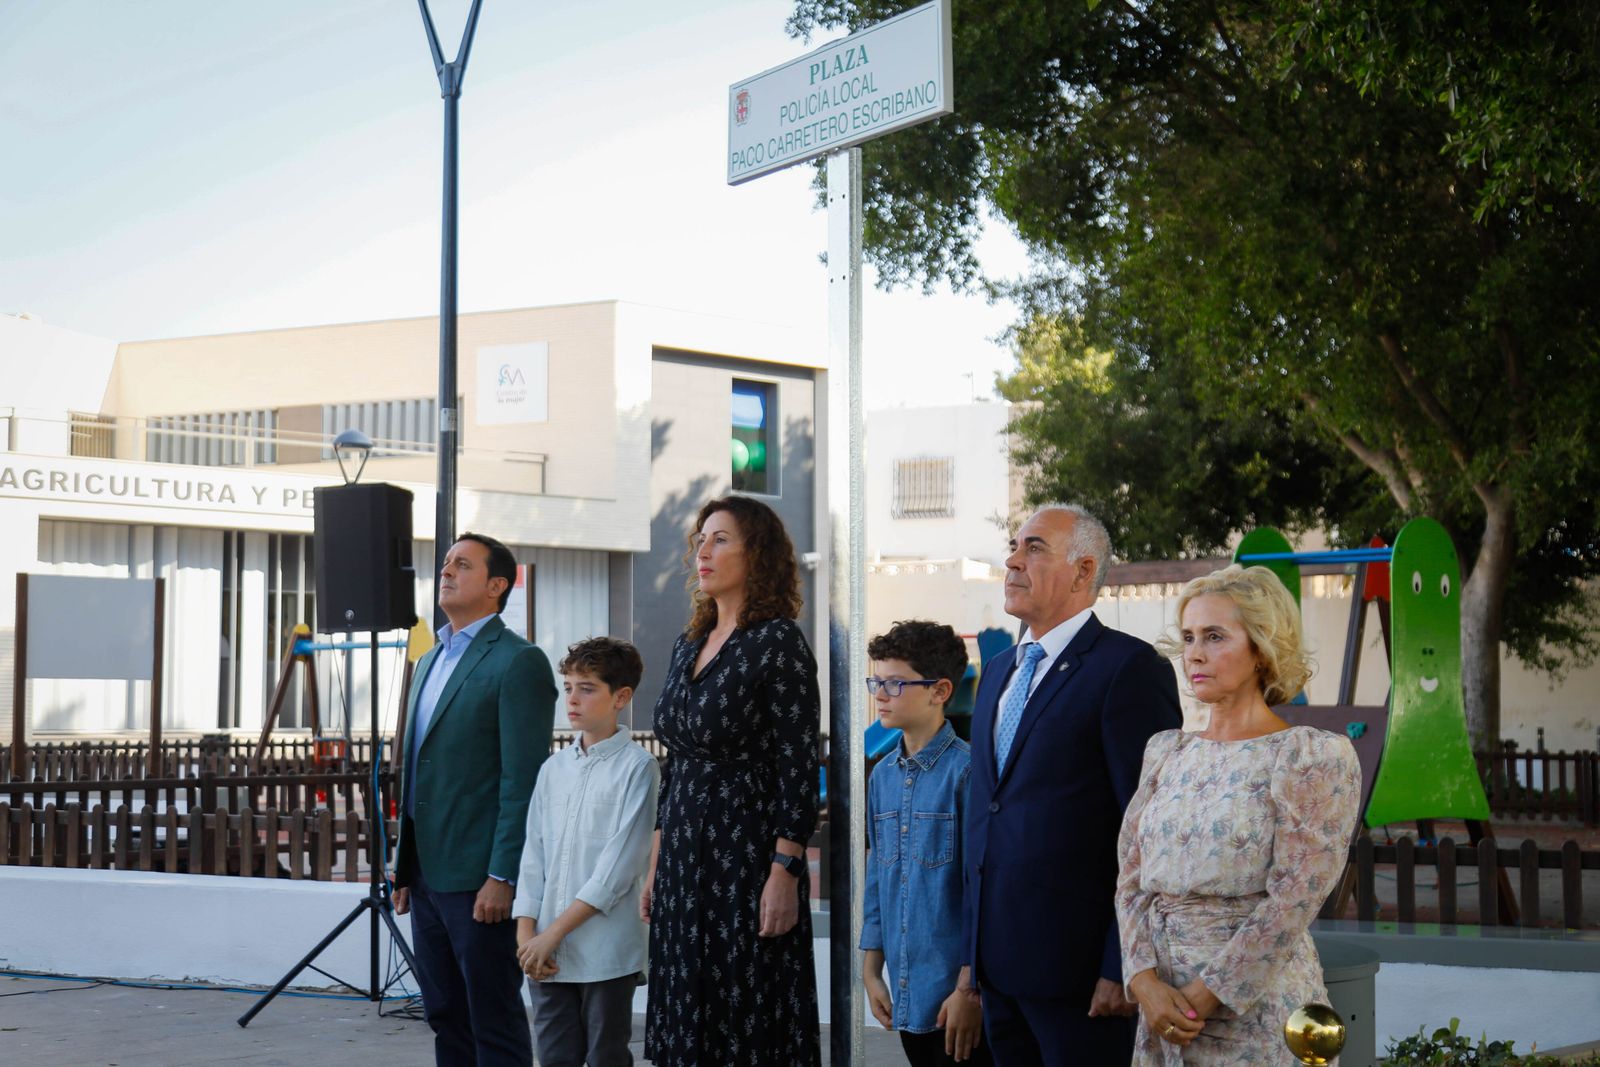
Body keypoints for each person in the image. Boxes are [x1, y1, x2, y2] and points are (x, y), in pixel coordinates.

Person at [1116, 565, 1361, 1065]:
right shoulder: (1165, 752)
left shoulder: (1308, 755)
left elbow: (1296, 896)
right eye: (1188, 637)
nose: (1194, 654)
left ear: (1261, 649)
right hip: (1162, 1011)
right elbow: (1131, 882)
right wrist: (1142, 981)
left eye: (1214, 636)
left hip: (1259, 1013)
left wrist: (1207, 994)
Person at [965, 504, 1183, 1066]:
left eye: (1034, 548)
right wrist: (971, 962)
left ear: (1084, 570)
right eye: (1014, 547)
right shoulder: (999, 671)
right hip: (997, 970)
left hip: (1081, 976)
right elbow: (988, 814)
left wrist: (1122, 961)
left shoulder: (1128, 669)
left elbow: (1148, 829)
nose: (1012, 562)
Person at [642, 494, 821, 1067]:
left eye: (721, 540)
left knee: (744, 1007)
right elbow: (676, 765)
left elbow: (798, 765)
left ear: (757, 554)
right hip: (681, 859)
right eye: (701, 540)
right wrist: (656, 861)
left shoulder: (778, 642)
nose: (704, 551)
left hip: (744, 856)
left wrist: (785, 870)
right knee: (684, 1009)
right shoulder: (687, 643)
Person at [394, 532, 556, 1067]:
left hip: (480, 878)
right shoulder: (428, 660)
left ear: (496, 586)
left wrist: (503, 875)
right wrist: (404, 866)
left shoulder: (518, 661)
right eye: (446, 563)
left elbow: (522, 780)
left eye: (462, 564)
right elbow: (418, 768)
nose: (446, 571)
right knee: (445, 1015)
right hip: (426, 876)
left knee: (492, 1017)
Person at [514, 636, 660, 1067]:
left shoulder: (638, 767)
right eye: (569, 688)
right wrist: (527, 937)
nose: (573, 699)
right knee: (554, 1057)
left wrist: (552, 934)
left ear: (621, 697)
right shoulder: (552, 768)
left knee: (605, 1057)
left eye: (588, 688)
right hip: (545, 952)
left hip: (605, 951)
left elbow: (617, 870)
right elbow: (533, 856)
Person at [862, 620, 991, 1067]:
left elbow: (981, 889)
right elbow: (878, 877)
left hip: (956, 999)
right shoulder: (881, 776)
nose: (881, 694)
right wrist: (870, 969)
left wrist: (969, 987)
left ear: (940, 691)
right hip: (905, 993)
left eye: (895, 683)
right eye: (877, 682)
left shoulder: (969, 773)